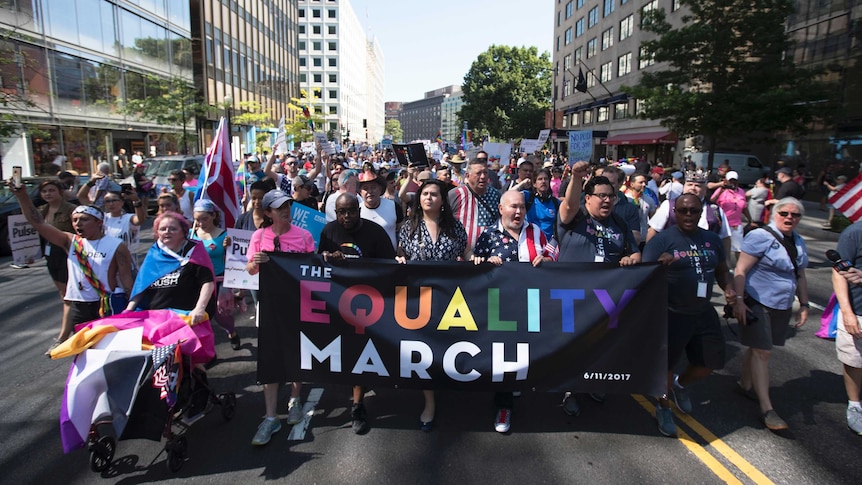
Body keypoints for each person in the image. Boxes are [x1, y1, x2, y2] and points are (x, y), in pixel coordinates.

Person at [643, 194, 734, 437]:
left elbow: (722, 270)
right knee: (666, 365)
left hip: (703, 311)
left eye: (694, 211)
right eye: (683, 211)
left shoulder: (712, 240)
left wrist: (729, 288)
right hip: (671, 313)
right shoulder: (662, 241)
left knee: (710, 363)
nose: (689, 215)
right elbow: (643, 277)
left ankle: (680, 385)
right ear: (675, 213)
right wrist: (659, 266)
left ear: (701, 212)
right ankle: (663, 408)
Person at [556, 164, 641, 415]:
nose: (607, 200)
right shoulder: (575, 217)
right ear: (589, 198)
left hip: (604, 300)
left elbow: (635, 252)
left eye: (611, 196)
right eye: (601, 196)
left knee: (598, 346)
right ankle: (569, 390)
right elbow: (569, 204)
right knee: (571, 347)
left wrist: (632, 259)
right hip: (571, 297)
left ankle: (592, 383)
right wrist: (576, 177)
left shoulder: (620, 223)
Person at [11, 180, 133, 349]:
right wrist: (22, 196)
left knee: (107, 349)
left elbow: (126, 280)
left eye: (84, 220)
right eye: (75, 220)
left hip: (104, 304)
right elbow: (37, 222)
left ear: (99, 222)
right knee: (83, 351)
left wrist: (132, 308)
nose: (78, 224)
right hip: (79, 305)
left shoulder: (116, 246)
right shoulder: (70, 241)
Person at [473, 190, 554, 433]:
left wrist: (547, 260)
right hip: (499, 309)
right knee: (503, 355)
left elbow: (552, 254)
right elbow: (474, 268)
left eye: (521, 207)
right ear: (500, 209)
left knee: (524, 351)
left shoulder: (536, 232)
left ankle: (515, 382)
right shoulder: (488, 235)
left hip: (529, 306)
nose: (518, 212)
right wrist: (482, 263)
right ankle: (503, 406)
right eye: (512, 207)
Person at [318, 193, 396, 434]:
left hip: (371, 305)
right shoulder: (329, 231)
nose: (347, 217)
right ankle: (358, 401)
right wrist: (327, 258)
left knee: (363, 352)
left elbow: (390, 267)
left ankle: (358, 405)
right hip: (339, 303)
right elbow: (319, 263)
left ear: (359, 211)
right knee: (351, 353)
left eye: (351, 211)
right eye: (341, 212)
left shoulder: (375, 232)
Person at [397, 179, 469, 431]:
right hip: (420, 298)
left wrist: (477, 261)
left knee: (448, 346)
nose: (428, 198)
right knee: (424, 349)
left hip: (451, 298)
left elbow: (467, 256)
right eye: (424, 194)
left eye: (434, 194)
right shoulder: (408, 228)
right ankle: (429, 402)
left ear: (442, 200)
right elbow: (402, 256)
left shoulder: (455, 227)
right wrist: (399, 260)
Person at [732, 197, 810, 431]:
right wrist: (738, 301)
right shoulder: (760, 237)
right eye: (784, 213)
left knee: (759, 348)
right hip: (757, 302)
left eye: (795, 215)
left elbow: (801, 275)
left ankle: (745, 384)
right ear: (774, 214)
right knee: (763, 352)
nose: (789, 218)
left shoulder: (798, 241)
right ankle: (767, 409)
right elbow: (741, 269)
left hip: (782, 305)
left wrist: (804, 304)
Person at [246, 190, 315, 446]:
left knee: (296, 353)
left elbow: (313, 269)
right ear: (267, 213)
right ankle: (271, 416)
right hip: (270, 305)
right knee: (270, 358)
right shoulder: (259, 236)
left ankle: (295, 400)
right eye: (278, 207)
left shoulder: (304, 236)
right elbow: (251, 270)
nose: (285, 211)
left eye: (288, 205)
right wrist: (257, 261)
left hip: (297, 305)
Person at [190, 199, 241, 351]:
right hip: (196, 282)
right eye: (197, 219)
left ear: (213, 216)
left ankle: (231, 332)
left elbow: (234, 260)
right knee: (199, 316)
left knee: (222, 315)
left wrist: (228, 248)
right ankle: (205, 350)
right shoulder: (190, 235)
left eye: (204, 218)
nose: (200, 223)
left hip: (218, 280)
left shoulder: (224, 236)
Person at [647, 170, 732, 261]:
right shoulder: (668, 205)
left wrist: (726, 261)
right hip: (674, 260)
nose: (693, 188)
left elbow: (725, 237)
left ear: (705, 189)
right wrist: (649, 257)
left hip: (706, 260)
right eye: (689, 185)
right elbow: (653, 231)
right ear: (684, 186)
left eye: (697, 186)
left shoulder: (715, 210)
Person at [35, 180, 78, 353]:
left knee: (70, 296)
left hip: (68, 254)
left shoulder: (70, 209)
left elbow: (78, 233)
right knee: (65, 295)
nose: (48, 194)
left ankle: (63, 336)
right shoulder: (41, 211)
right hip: (51, 255)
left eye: (51, 190)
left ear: (60, 192)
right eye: (44, 191)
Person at [831, 221, 862, 435]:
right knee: (854, 361)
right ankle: (855, 405)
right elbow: (839, 273)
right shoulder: (854, 233)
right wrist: (847, 312)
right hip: (858, 310)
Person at [449, 158, 501, 249]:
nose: (483, 177)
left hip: (490, 254)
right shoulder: (455, 195)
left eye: (485, 173)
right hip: (461, 256)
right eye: (478, 173)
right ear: (467, 175)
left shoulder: (496, 195)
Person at [710, 171, 752, 262]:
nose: (733, 183)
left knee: (738, 248)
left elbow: (744, 207)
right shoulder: (721, 190)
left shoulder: (741, 191)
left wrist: (750, 220)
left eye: (734, 181)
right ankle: (724, 266)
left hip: (736, 224)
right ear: (726, 181)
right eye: (730, 181)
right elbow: (712, 201)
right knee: (723, 247)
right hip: (723, 224)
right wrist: (721, 190)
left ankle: (739, 268)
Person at [358, 167, 403, 251]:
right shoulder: (357, 210)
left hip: (391, 259)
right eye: (365, 188)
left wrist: (400, 249)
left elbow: (403, 232)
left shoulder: (393, 206)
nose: (370, 191)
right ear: (360, 192)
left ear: (380, 189)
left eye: (373, 187)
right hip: (365, 261)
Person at [520, 168, 559, 242]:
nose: (543, 181)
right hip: (531, 242)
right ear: (534, 184)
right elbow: (507, 196)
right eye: (540, 179)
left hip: (550, 245)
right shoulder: (528, 197)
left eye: (546, 179)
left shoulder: (556, 202)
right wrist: (522, 183)